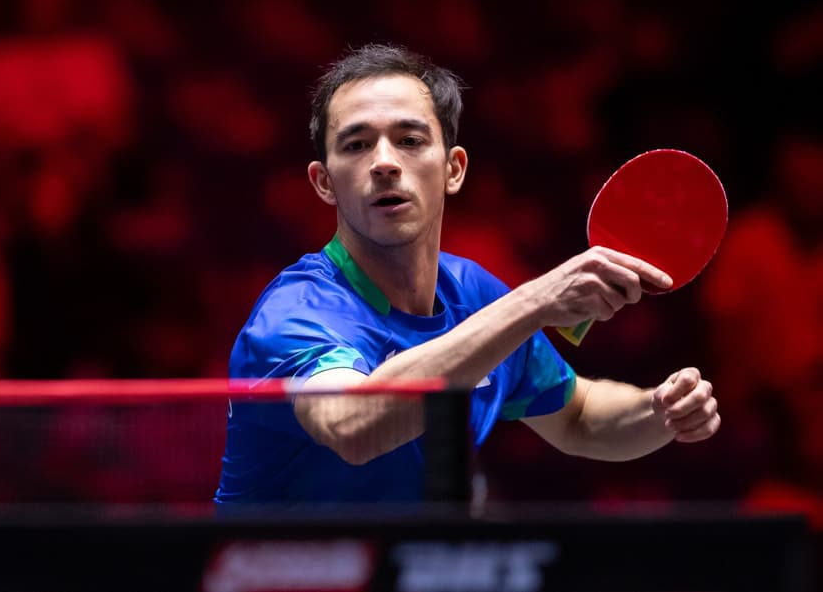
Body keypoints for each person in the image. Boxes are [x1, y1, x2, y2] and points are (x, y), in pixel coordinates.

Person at [214, 44, 719, 508]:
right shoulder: (296, 311)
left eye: (410, 139)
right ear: (324, 183)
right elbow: (354, 426)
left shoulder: (472, 294)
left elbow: (578, 417)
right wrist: (532, 303)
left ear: (453, 169)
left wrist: (659, 411)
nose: (385, 162)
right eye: (357, 145)